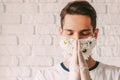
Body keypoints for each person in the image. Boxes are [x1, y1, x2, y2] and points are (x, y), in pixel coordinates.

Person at [35, 1, 120, 80]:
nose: (77, 39)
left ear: (95, 34)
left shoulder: (115, 75)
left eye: (84, 33)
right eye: (69, 33)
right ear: (61, 33)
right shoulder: (45, 76)